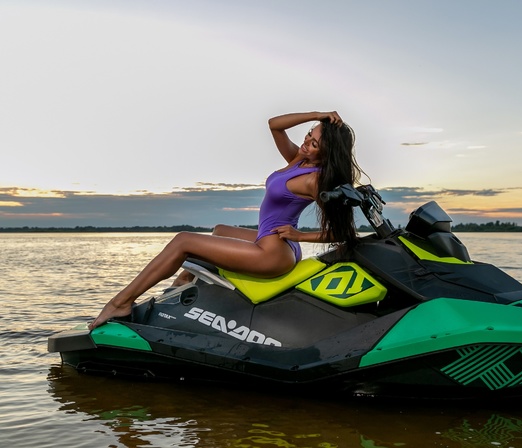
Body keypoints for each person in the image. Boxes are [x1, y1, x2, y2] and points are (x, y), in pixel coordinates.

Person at [88, 110, 364, 330]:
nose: (306, 142)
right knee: (218, 230)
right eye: (308, 135)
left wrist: (300, 235)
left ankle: (121, 303)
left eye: (314, 143)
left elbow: (343, 233)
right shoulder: (297, 159)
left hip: (272, 253)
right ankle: (181, 284)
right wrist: (318, 115)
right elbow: (274, 125)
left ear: (326, 154)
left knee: (183, 241)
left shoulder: (315, 178)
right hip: (269, 239)